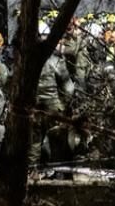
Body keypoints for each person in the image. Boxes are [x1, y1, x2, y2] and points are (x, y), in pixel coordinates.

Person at [30, 25, 75, 164]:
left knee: (34, 142)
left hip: (33, 107)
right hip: (53, 108)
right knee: (57, 142)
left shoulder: (27, 60)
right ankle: (57, 171)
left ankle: (32, 171)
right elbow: (69, 89)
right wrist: (63, 105)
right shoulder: (55, 60)